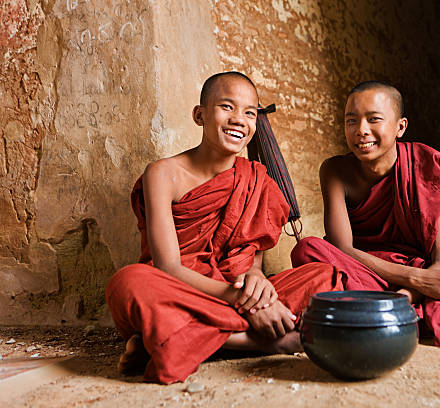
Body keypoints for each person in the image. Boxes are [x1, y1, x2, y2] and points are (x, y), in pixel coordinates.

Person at [105, 72, 345, 384]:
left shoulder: (257, 181)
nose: (239, 120)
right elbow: (167, 266)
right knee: (129, 282)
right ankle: (258, 342)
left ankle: (170, 338)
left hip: (232, 291)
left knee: (324, 276)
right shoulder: (162, 174)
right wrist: (241, 300)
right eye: (227, 107)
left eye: (249, 113)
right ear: (200, 114)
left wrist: (257, 288)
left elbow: (251, 266)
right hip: (181, 289)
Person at [291, 81, 440, 347]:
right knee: (308, 249)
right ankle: (409, 317)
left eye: (373, 119)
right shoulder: (335, 171)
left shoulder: (431, 168)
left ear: (400, 127)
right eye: (351, 121)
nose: (361, 131)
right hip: (365, 273)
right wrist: (415, 281)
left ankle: (376, 316)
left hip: (419, 279)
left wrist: (412, 291)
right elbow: (342, 248)